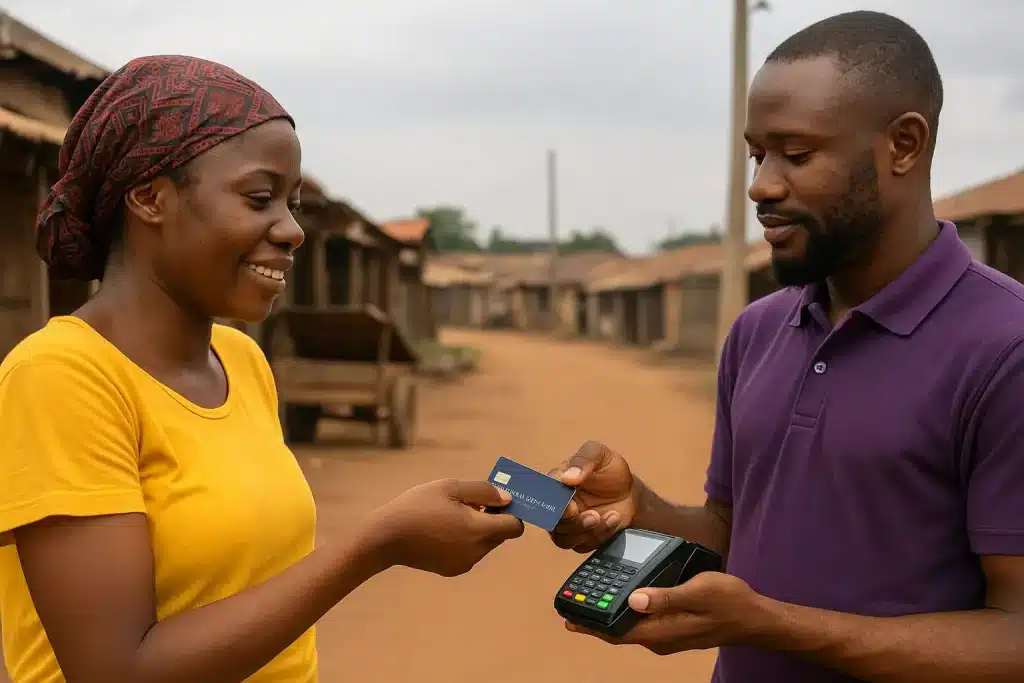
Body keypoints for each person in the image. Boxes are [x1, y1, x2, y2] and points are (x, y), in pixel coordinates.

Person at [0, 54, 524, 683]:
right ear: (148, 198)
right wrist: (374, 547)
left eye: (292, 203)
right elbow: (116, 670)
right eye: (258, 198)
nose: (293, 230)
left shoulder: (242, 361)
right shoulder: (62, 376)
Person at [546, 10, 1024, 683]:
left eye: (796, 154)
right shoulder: (758, 331)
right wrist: (640, 509)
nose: (761, 185)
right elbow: (732, 533)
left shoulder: (1005, 349)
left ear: (905, 145)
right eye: (756, 153)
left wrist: (771, 624)